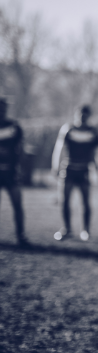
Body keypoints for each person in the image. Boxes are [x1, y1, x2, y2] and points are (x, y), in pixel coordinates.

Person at [51, 104, 98, 242]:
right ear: (76, 114)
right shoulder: (68, 129)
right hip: (69, 170)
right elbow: (59, 148)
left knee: (86, 202)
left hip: (84, 171)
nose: (83, 117)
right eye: (81, 114)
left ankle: (85, 230)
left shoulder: (94, 132)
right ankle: (66, 229)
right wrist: (55, 166)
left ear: (89, 116)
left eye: (86, 115)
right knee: (65, 201)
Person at [0, 97, 29, 247]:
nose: (2, 110)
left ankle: (21, 236)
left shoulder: (14, 126)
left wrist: (21, 169)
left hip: (10, 173)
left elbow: (21, 150)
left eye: (4, 108)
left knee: (18, 205)